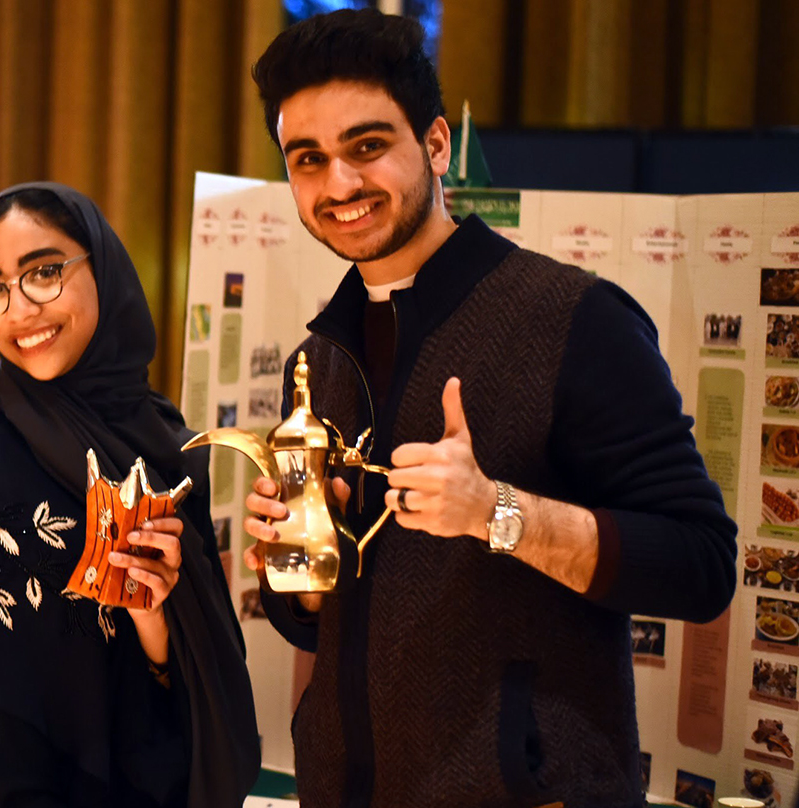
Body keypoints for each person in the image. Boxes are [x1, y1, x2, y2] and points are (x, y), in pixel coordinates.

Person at [243, 9, 737, 808]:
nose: (339, 184)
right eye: (309, 159)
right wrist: (300, 559)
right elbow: (320, 628)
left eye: (368, 147)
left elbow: (701, 565)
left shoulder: (573, 318)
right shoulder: (319, 357)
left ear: (436, 145)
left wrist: (496, 512)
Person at [0, 182, 260, 807]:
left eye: (44, 272)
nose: (20, 308)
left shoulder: (163, 442)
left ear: (102, 266)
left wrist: (152, 619)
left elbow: (188, 683)